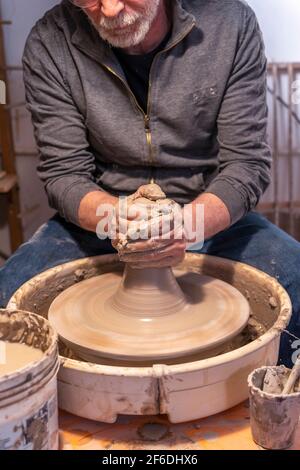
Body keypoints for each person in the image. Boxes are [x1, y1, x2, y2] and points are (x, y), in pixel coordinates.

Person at [0, 0, 299, 366]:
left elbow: (246, 164)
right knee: (6, 301)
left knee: (296, 286)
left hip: (205, 212)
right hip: (102, 219)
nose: (109, 10)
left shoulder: (230, 23)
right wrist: (117, 219)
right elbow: (64, 174)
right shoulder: (52, 40)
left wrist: (186, 227)